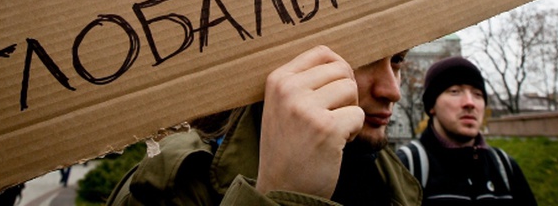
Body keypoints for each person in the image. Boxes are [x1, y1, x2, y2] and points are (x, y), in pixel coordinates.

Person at [107, 45, 422, 205]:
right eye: (363, 58)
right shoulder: (174, 182)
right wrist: (282, 196)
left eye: (397, 59)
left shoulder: (393, 177)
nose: (392, 89)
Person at [397, 56, 537, 205]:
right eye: (455, 91)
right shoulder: (407, 167)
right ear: (432, 106)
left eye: (478, 94)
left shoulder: (505, 168)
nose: (470, 103)